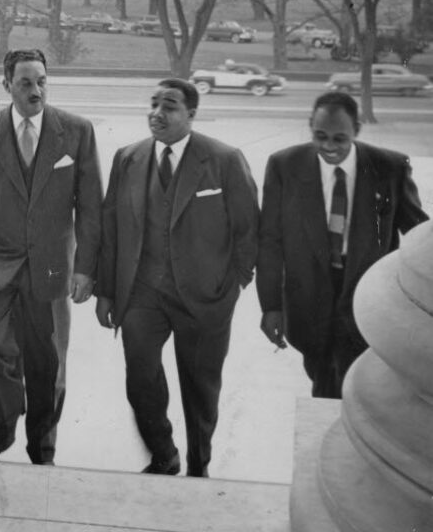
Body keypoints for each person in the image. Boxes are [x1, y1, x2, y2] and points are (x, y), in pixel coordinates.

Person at [0, 49, 103, 465]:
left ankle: (42, 446)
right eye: (25, 83)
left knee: (47, 360)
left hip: (51, 265)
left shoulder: (76, 131)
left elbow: (91, 206)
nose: (36, 91)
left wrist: (86, 268)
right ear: (7, 86)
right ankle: (8, 410)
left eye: (42, 81)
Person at [95, 78, 258, 478]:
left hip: (205, 295)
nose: (157, 113)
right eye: (153, 104)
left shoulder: (223, 159)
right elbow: (111, 228)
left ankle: (199, 463)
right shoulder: (127, 158)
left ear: (191, 114)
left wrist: (233, 283)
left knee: (201, 386)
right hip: (142, 293)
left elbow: (249, 228)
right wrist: (107, 292)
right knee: (140, 376)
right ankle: (164, 453)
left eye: (168, 106)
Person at [256, 90, 427, 399]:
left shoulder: (389, 168)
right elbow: (270, 241)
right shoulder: (284, 165)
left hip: (365, 297)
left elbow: (420, 236)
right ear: (309, 125)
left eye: (339, 138)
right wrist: (270, 306)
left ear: (357, 131)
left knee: (351, 383)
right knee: (322, 373)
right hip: (308, 301)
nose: (329, 147)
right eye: (320, 136)